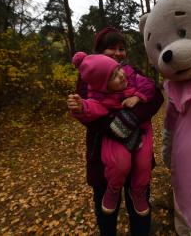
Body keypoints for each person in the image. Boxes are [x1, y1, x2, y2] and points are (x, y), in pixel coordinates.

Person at [67, 27, 164, 236]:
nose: (119, 53)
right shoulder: (87, 78)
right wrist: (120, 126)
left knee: (139, 200)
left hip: (138, 147)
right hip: (103, 155)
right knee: (106, 208)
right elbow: (93, 115)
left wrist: (132, 117)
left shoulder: (131, 72)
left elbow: (156, 96)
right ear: (98, 50)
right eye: (112, 48)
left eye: (122, 48)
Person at [70, 53, 155, 216]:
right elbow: (94, 107)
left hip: (142, 131)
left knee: (144, 164)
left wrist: (137, 97)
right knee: (118, 164)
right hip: (117, 137)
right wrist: (82, 107)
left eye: (118, 69)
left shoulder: (132, 76)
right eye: (114, 76)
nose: (121, 74)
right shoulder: (100, 96)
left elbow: (150, 87)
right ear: (104, 86)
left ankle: (138, 192)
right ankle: (113, 190)